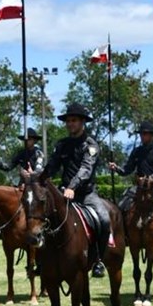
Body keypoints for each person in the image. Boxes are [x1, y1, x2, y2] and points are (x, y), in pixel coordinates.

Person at [41, 103, 110, 277]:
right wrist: (37, 176)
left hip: (86, 194)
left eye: (74, 120)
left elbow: (85, 170)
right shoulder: (62, 144)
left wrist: (72, 187)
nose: (70, 124)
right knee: (41, 218)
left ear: (82, 122)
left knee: (104, 219)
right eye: (68, 121)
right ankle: (44, 260)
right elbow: (52, 166)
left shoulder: (91, 145)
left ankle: (98, 260)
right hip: (63, 194)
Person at [108, 120, 153, 215]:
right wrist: (116, 168)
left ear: (151, 135)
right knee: (122, 204)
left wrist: (149, 178)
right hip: (139, 187)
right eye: (141, 134)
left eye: (145, 134)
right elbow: (127, 170)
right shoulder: (136, 152)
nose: (142, 136)